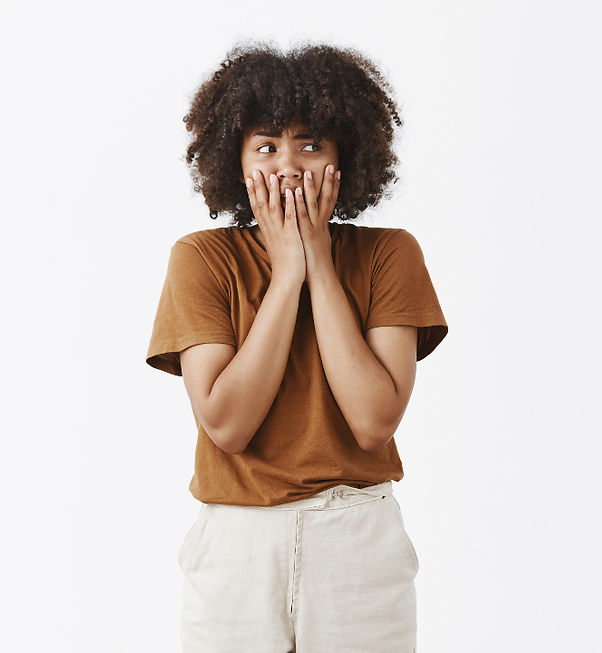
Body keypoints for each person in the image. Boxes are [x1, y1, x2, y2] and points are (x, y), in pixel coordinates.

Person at [145, 41, 448, 652]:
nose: (288, 166)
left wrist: (318, 263)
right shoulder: (202, 258)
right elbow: (228, 425)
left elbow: (373, 421)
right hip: (237, 544)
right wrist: (286, 276)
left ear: (345, 156)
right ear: (234, 160)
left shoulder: (389, 254)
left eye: (311, 145)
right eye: (266, 146)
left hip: (356, 535)